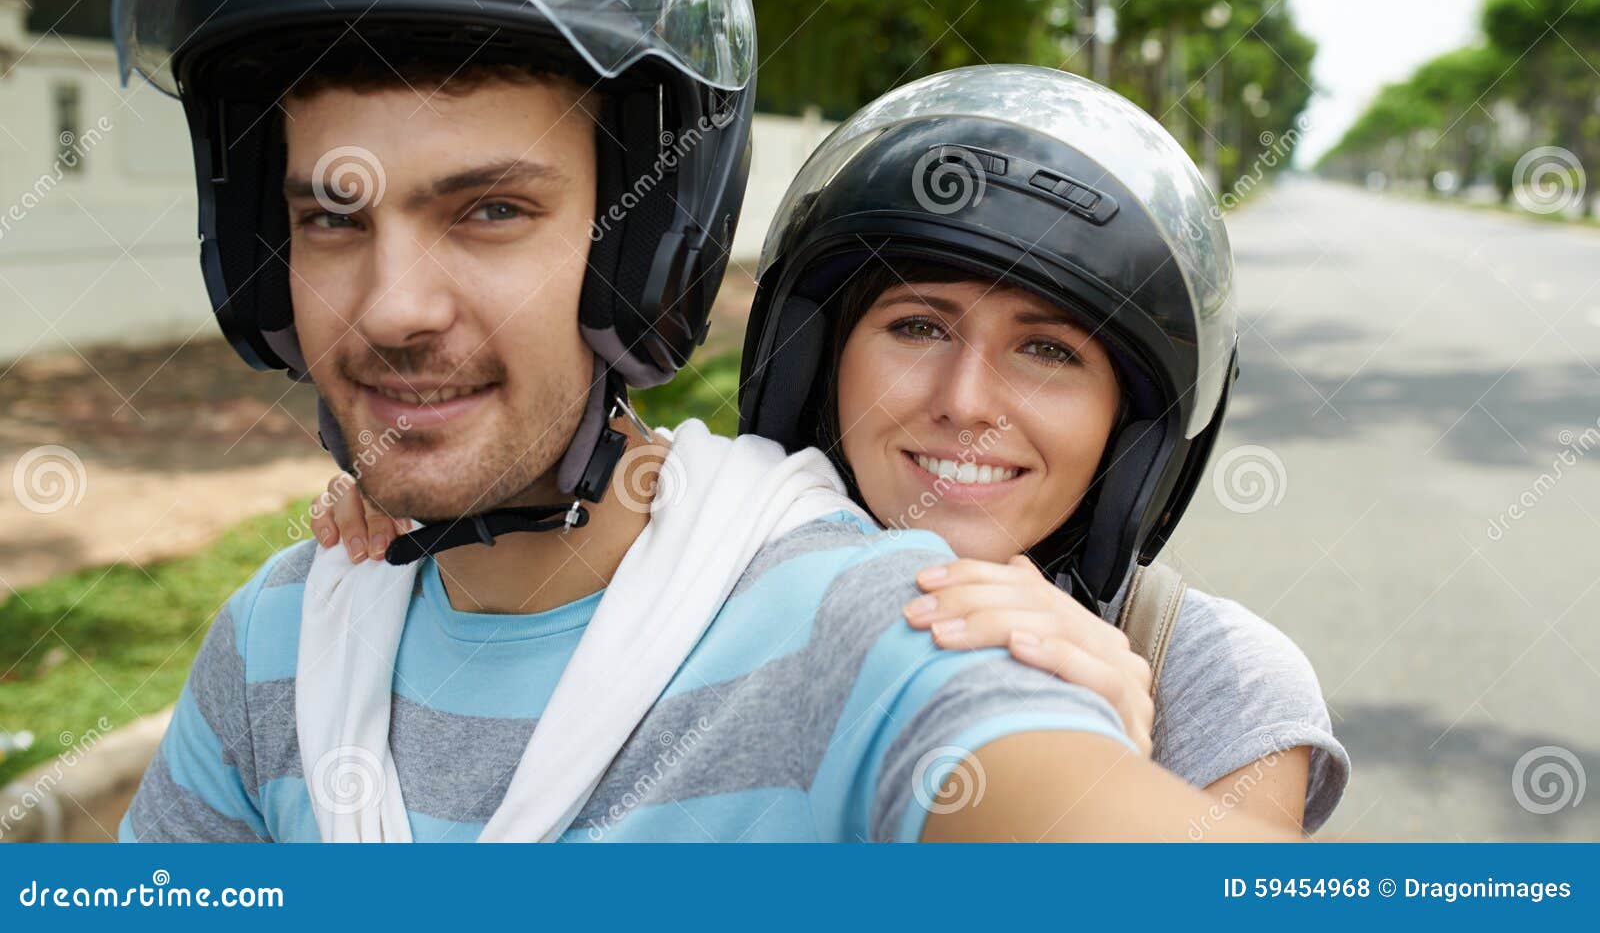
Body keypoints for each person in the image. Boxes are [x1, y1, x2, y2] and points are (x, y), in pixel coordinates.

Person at [112, 0, 1294, 843]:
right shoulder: (276, 644)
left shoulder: (877, 625)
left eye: (487, 214)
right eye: (330, 217)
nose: (394, 310)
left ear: (636, 245)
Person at [320, 65, 1347, 835]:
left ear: (1130, 430)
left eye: (1044, 350)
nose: (963, 401)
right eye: (917, 326)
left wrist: (1096, 773)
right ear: (820, 365)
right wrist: (435, 499)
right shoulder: (696, 577)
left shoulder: (1218, 682)